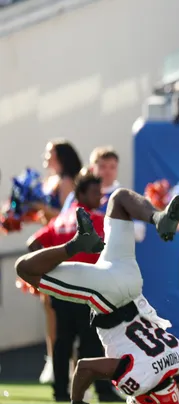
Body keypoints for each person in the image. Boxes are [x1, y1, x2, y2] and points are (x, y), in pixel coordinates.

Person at [15, 189, 179, 404]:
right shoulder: (138, 380)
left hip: (131, 281)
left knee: (119, 199)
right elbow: (85, 367)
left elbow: (171, 374)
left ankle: (158, 218)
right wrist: (77, 403)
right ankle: (75, 246)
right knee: (24, 269)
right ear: (149, 400)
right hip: (107, 297)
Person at [27, 172, 121, 403]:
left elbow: (34, 243)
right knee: (92, 343)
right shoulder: (96, 219)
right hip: (87, 290)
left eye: (101, 194)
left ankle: (60, 391)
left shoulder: (60, 219)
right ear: (80, 194)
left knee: (63, 342)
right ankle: (103, 391)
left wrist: (47, 273)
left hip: (61, 290)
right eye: (94, 193)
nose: (100, 198)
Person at [35, 139, 83, 385]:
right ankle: (53, 359)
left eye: (50, 153)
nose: (46, 157)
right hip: (48, 244)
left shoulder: (66, 182)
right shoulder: (51, 181)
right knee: (48, 305)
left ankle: (64, 362)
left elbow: (67, 216)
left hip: (59, 249)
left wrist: (41, 207)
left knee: (60, 307)